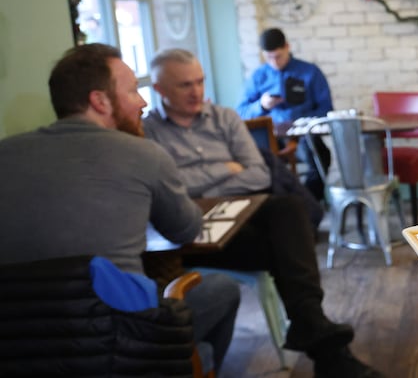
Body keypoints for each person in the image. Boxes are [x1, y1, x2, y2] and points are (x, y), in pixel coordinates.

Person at [0, 44, 240, 373]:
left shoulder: (5, 154)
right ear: (100, 101)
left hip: (20, 347)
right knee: (220, 289)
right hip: (118, 340)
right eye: (133, 91)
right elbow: (186, 229)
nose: (143, 102)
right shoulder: (144, 153)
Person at [144, 48, 381, 378]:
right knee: (286, 247)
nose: (197, 91)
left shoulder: (225, 118)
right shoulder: (149, 132)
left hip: (242, 222)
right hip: (192, 237)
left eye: (200, 81)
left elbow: (258, 175)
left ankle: (313, 327)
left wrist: (199, 185)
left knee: (287, 209)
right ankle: (323, 341)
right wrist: (224, 169)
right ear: (160, 90)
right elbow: (168, 188)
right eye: (185, 85)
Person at [237, 27, 333, 201]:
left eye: (278, 56)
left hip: (302, 136)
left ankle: (306, 202)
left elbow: (326, 109)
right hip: (271, 138)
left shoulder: (310, 72)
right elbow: (241, 112)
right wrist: (262, 105)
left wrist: (303, 122)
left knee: (320, 158)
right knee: (258, 164)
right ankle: (281, 204)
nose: (274, 62)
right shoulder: (258, 76)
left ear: (287, 47)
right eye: (269, 57)